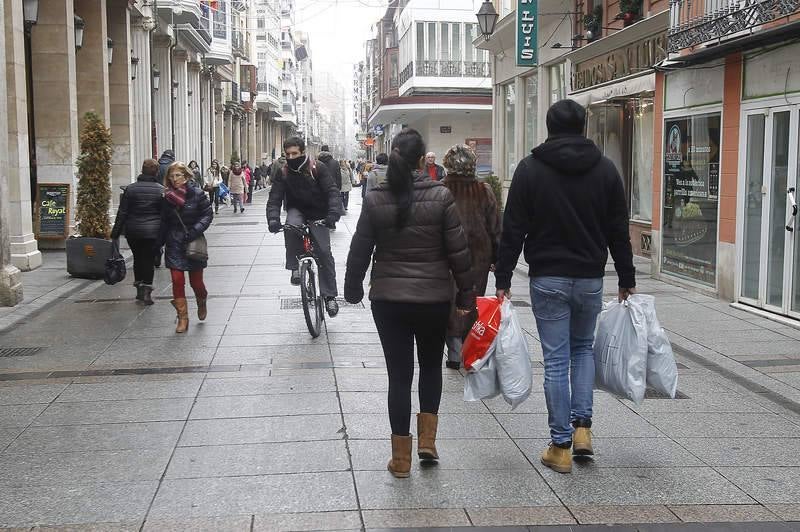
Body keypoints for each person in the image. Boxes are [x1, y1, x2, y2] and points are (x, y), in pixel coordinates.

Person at [494, 99, 636, 474]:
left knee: (556, 359)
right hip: (590, 277)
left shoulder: (529, 169)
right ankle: (583, 428)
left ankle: (560, 446)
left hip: (548, 278)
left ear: (549, 125)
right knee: (583, 351)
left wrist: (504, 277)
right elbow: (618, 229)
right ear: (583, 126)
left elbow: (513, 228)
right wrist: (626, 277)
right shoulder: (605, 170)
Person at [344, 128, 475, 479]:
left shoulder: (376, 198)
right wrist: (466, 297)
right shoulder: (441, 196)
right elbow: (458, 252)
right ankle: (428, 444)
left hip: (388, 300)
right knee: (431, 367)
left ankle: (401, 459)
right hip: (433, 299)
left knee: (399, 376)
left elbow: (360, 248)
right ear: (422, 160)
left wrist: (352, 286)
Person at [267, 136, 341, 318]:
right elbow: (274, 198)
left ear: (302, 152)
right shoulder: (283, 172)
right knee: (290, 226)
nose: (291, 157)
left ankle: (330, 297)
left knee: (324, 252)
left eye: (295, 153)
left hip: (318, 213)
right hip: (296, 210)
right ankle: (294, 267)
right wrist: (273, 219)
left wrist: (332, 215)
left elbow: (332, 192)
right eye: (288, 154)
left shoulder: (318, 168)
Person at [441, 145, 501, 370]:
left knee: (450, 301)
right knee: (472, 301)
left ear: (448, 164)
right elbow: (495, 227)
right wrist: (497, 257)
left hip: (446, 255)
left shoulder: (440, 189)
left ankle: (454, 352)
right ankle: (468, 348)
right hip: (478, 256)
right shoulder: (483, 190)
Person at [159, 162, 214, 333]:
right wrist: (157, 244)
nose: (175, 179)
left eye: (178, 175)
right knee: (177, 280)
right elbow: (163, 221)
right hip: (174, 241)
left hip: (193, 242)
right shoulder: (166, 197)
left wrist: (195, 230)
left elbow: (207, 215)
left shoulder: (197, 194)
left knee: (196, 282)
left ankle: (201, 300)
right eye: (172, 176)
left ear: (186, 176)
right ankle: (183, 318)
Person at [110, 158, 164, 305]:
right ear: (156, 172)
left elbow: (123, 212)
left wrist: (115, 232)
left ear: (142, 170)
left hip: (133, 231)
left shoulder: (131, 189)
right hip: (152, 232)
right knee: (148, 259)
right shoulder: (160, 190)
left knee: (138, 258)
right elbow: (164, 214)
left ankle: (139, 288)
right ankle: (146, 289)